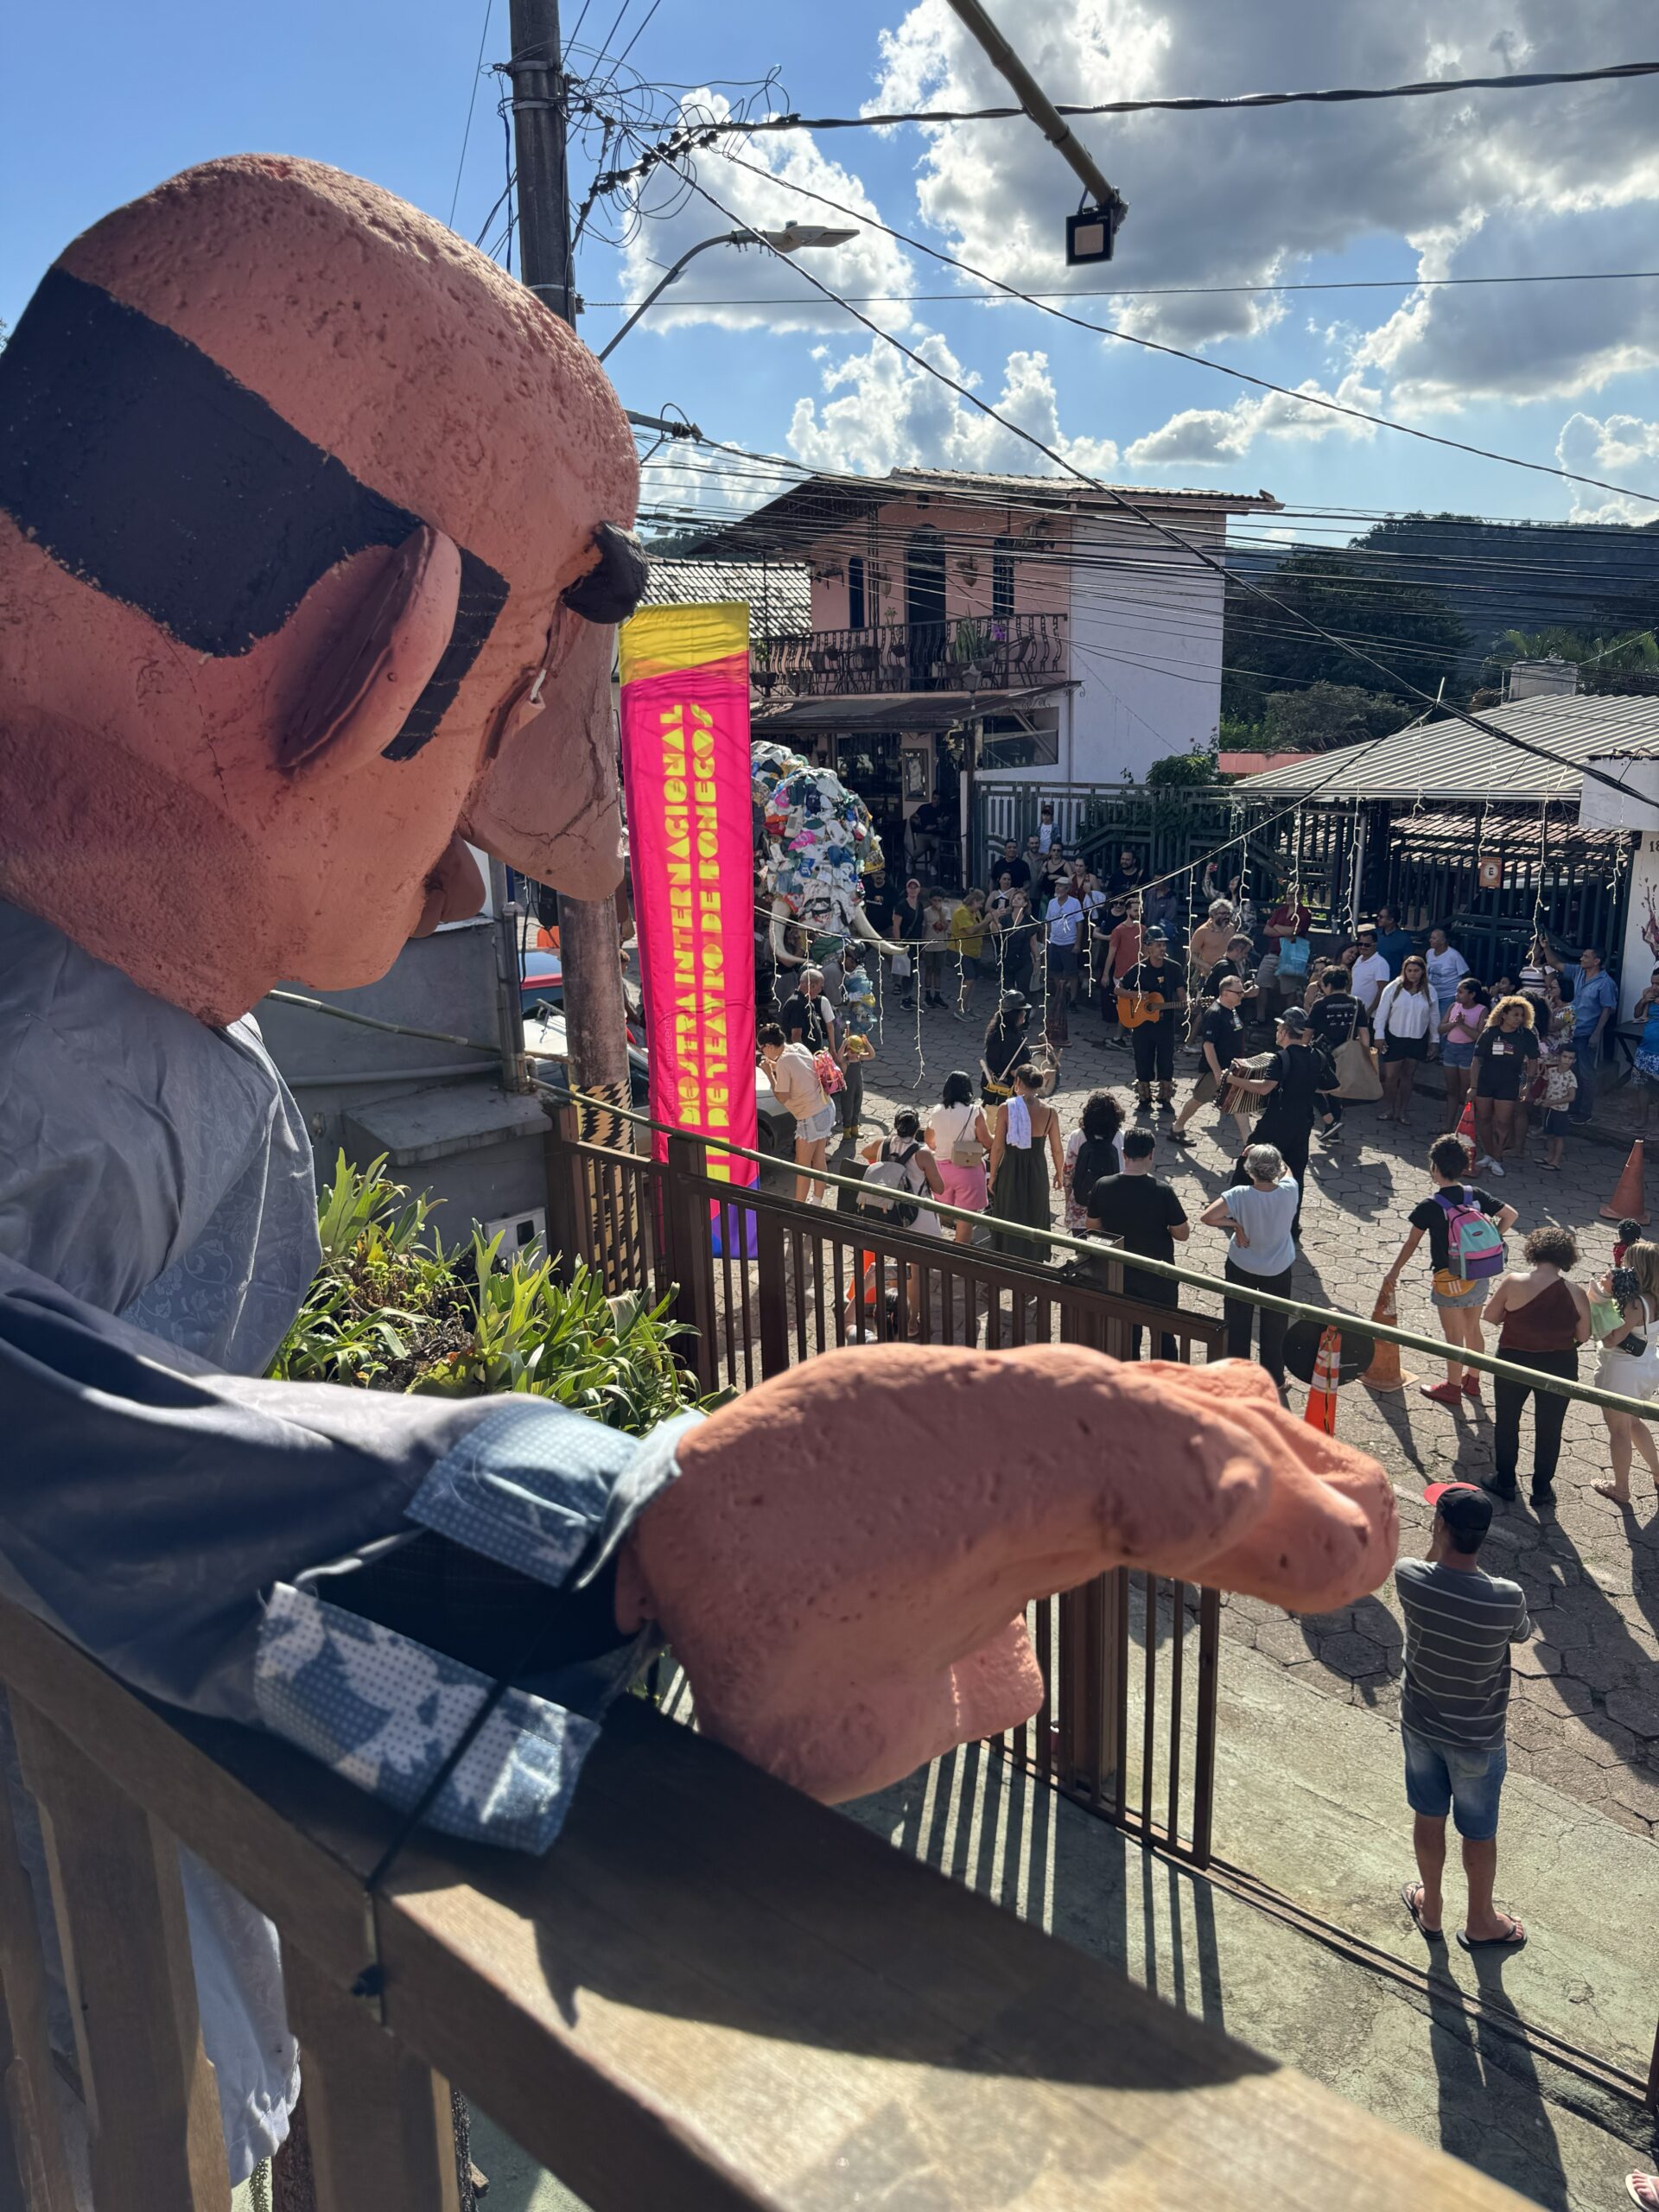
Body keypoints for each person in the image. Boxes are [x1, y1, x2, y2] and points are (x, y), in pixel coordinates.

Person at [1395, 1483, 1530, 1951]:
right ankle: (1480, 1922)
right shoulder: (1507, 1597)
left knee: (1428, 1817)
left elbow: (1429, 1561)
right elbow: (1522, 1633)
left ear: (1440, 1526)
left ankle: (1430, 1909)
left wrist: (1437, 1541)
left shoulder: (1408, 1576)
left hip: (1420, 1724)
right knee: (1479, 1833)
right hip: (1477, 1738)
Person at [1381, 1134, 1517, 1407]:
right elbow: (1511, 1215)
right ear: (1464, 1167)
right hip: (1479, 1272)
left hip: (1449, 1278)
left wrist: (1394, 1272)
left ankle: (1452, 1387)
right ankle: (1473, 1380)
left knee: (1453, 1336)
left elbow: (1411, 1243)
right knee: (1472, 1328)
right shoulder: (1475, 1195)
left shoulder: (1430, 1206)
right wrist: (1494, 1237)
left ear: (1434, 1167)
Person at [1479, 1228, 1592, 1509]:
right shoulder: (1576, 1293)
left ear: (1534, 1251)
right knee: (1550, 1428)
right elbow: (1584, 1335)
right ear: (1567, 1257)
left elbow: (1490, 1316)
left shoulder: (1513, 1281)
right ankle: (1541, 1489)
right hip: (1559, 1366)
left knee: (1507, 1422)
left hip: (1513, 1361)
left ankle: (1504, 1481)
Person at [1200, 1143, 1300, 1389]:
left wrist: (1236, 1225)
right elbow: (1288, 1172)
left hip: (1241, 1264)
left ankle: (1238, 1376)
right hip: (1277, 1268)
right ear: (1276, 1169)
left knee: (1237, 1321)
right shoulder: (1290, 1190)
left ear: (1249, 1170)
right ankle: (1274, 1378)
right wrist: (1279, 1159)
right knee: (1275, 1325)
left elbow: (1208, 1217)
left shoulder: (1239, 1194)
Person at [1086, 1128, 1190, 1359]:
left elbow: (1091, 1226)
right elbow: (1182, 1233)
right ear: (1152, 1154)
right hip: (1158, 1276)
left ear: (1123, 1153)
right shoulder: (1163, 1190)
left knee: (1127, 1334)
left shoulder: (1103, 1185)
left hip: (1120, 1273)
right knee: (1164, 1334)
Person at [1225, 1007, 1327, 1236]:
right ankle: (1292, 1227)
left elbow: (1264, 1089)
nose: (1276, 1033)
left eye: (1279, 1028)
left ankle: (1231, 1210)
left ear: (1285, 1032)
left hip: (1276, 1123)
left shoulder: (1281, 1058)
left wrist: (1232, 1079)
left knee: (1248, 1161)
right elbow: (1333, 1086)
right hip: (1302, 1124)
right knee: (1296, 1175)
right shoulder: (1317, 1056)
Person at [861, 1107, 946, 1332]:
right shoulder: (923, 1153)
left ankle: (889, 1317)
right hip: (915, 1219)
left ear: (896, 1125)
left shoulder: (882, 1143)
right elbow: (939, 1187)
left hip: (887, 1213)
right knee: (914, 1274)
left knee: (891, 1269)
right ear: (917, 1128)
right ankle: (910, 1324)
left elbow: (864, 1153)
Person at [1590, 1239, 1659, 1508]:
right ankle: (1657, 1472)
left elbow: (1611, 1338)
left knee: (1618, 1431)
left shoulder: (1635, 1303)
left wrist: (1601, 1299)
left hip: (1622, 1371)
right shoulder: (1654, 1297)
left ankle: (1621, 1488)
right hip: (1646, 1367)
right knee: (1633, 1424)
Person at [988, 1063, 1062, 1260]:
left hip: (1012, 1166)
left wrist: (992, 1174)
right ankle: (1034, 1257)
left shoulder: (1007, 1108)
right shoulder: (1050, 1112)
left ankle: (1007, 1256)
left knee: (1009, 1210)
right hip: (1037, 1167)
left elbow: (998, 1147)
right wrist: (1059, 1173)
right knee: (1035, 1210)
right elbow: (1056, 1148)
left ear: (1018, 1081)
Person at [759, 1022, 836, 1203]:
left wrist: (770, 1074)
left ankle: (799, 1209)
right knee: (818, 1160)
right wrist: (774, 1066)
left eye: (762, 1049)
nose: (763, 1053)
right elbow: (799, 1070)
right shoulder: (798, 1048)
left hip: (810, 1116)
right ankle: (816, 1202)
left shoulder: (783, 1061)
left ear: (769, 1046)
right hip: (825, 1107)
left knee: (801, 1165)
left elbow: (782, 1097)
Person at [1170, 974, 1249, 1147]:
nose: (1242, 995)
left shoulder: (1232, 1010)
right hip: (1217, 1070)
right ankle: (1176, 1128)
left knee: (1240, 1106)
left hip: (1233, 1069)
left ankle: (1249, 1147)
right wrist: (1217, 1072)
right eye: (1239, 992)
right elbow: (1208, 1045)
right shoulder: (1215, 1013)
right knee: (1198, 1099)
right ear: (1226, 993)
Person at [1469, 995, 1540, 1178]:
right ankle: (1488, 1153)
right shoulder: (1490, 1033)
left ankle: (1498, 1158)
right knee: (1483, 1119)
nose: (1519, 1019)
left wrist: (1528, 1085)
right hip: (1486, 1081)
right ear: (1504, 1015)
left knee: (1502, 1122)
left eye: (1522, 1015)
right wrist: (1473, 1086)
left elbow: (1533, 1060)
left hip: (1509, 1083)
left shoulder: (1527, 1036)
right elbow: (1477, 1059)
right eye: (1515, 1015)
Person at [1120, 927, 1186, 1115]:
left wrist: (1186, 1003)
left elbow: (1182, 993)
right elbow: (1119, 989)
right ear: (1148, 947)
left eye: (1164, 945)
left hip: (1165, 1024)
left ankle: (1164, 1099)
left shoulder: (1173, 968)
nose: (1162, 948)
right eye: (1158, 945)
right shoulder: (1139, 969)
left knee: (1166, 1061)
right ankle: (1144, 1098)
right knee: (1143, 1059)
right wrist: (1137, 995)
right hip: (1141, 1024)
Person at [928, 1070, 992, 1243]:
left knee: (937, 1216)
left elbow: (929, 1140)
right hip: (968, 1173)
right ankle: (957, 1261)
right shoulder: (975, 1112)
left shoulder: (937, 1110)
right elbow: (988, 1142)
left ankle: (933, 1251)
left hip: (941, 1171)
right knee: (965, 1224)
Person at [1308, 963, 1367, 1141]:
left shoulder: (1320, 1004)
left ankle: (1330, 1122)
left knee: (1311, 1087)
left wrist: (1302, 1049)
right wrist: (1366, 1056)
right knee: (1337, 1091)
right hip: (1347, 1054)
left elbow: (1307, 1033)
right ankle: (1333, 1129)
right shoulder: (1357, 1003)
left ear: (1328, 985)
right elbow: (1364, 1034)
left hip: (1322, 1054)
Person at [1374, 953, 1435, 1124]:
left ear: (1422, 972)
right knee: (1391, 1076)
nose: (1413, 974)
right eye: (1409, 970)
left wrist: (1434, 1041)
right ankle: (1389, 1108)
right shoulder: (1393, 988)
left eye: (1416, 970)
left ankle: (1402, 1111)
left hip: (1417, 1038)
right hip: (1395, 1037)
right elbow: (1381, 1014)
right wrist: (1379, 1035)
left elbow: (1434, 1017)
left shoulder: (1430, 991)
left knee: (1408, 1075)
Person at [1062, 1088, 1127, 1237]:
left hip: (1082, 1204)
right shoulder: (1121, 1137)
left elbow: (1068, 1171)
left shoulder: (1077, 1136)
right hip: (1111, 1206)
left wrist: (1069, 1200)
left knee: (1081, 1251)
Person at [1567, 945, 1618, 1122]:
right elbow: (1554, 963)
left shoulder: (1606, 983)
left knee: (1586, 1074)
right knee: (1572, 1072)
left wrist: (1597, 1034)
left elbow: (1607, 1009)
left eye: (1586, 956)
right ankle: (1572, 1107)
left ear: (1596, 961)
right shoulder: (1579, 973)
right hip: (1572, 1031)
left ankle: (1585, 1112)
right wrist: (1545, 946)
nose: (1581, 958)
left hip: (1588, 1033)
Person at [1438, 976, 1488, 1132]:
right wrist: (1454, 1023)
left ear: (1472, 994)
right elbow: (1440, 1028)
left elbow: (1479, 1036)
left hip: (1468, 1052)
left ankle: (1465, 1128)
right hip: (1451, 1049)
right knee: (1452, 1090)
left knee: (1466, 1092)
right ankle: (1448, 1125)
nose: (1457, 995)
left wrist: (1462, 1024)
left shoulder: (1481, 1010)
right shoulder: (1454, 1006)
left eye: (1461, 992)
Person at [981, 991, 1033, 1107]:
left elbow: (1018, 1051)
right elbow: (1015, 1071)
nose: (1025, 1013)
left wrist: (1040, 1047)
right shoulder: (1010, 1038)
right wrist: (1038, 1078)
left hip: (990, 1085)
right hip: (1005, 1093)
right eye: (1022, 1011)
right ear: (1015, 1015)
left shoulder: (997, 1029)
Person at [948, 887, 988, 1018]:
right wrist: (987, 921)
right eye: (980, 903)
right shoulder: (961, 912)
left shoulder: (975, 913)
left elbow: (981, 927)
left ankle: (967, 1007)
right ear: (974, 901)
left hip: (973, 952)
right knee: (968, 979)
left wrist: (991, 922)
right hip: (960, 951)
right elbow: (970, 930)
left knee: (973, 979)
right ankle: (960, 1009)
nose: (981, 906)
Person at [1045, 876, 1084, 1005]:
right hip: (1054, 942)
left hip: (1069, 943)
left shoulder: (1075, 903)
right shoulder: (1051, 902)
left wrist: (1077, 944)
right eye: (1057, 885)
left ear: (1067, 889)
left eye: (1061, 886)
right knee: (1055, 971)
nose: (1058, 888)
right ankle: (1060, 995)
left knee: (1072, 973)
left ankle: (1073, 999)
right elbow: (1048, 922)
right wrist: (1047, 938)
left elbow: (1080, 924)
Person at [1426, 926, 1467, 1047]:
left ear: (1443, 941)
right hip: (1432, 994)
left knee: (1444, 1024)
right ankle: (1432, 1049)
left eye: (1434, 938)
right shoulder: (1429, 953)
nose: (1431, 940)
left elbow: (1465, 974)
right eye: (1431, 938)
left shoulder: (1453, 955)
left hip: (1448, 995)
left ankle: (1443, 1053)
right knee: (1431, 1023)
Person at [780, 964, 834, 1054]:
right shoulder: (797, 1003)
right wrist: (808, 1058)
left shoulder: (804, 1001)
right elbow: (796, 1037)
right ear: (812, 986)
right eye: (820, 987)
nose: (820, 991)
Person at [892, 876, 926, 1010]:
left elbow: (921, 923)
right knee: (906, 971)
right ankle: (904, 998)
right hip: (906, 943)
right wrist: (899, 943)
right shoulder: (901, 905)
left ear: (919, 889)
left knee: (912, 971)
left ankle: (908, 996)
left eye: (915, 887)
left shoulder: (920, 905)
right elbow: (896, 925)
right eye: (910, 887)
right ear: (906, 889)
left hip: (916, 942)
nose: (913, 890)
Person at [1632, 965, 1659, 1129]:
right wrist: (1643, 1001)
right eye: (1653, 983)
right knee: (1643, 1086)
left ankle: (1657, 1127)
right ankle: (1642, 1120)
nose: (1654, 987)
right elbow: (1636, 1014)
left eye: (1658, 984)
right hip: (1646, 1049)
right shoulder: (1648, 993)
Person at [1350, 925, 1390, 1016]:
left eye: (1367, 945)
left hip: (1371, 1014)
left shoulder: (1381, 964)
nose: (1363, 947)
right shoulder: (1358, 959)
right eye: (1360, 944)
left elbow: (1382, 990)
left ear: (1375, 945)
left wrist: (1369, 1011)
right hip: (1354, 1010)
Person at [922, 888, 952, 1007]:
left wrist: (940, 913)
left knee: (938, 971)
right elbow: (924, 928)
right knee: (929, 969)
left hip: (941, 945)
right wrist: (923, 944)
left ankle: (938, 995)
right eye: (934, 900)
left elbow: (945, 926)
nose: (937, 903)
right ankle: (927, 995)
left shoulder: (946, 911)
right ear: (930, 900)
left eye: (939, 900)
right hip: (929, 945)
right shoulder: (926, 912)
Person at [1373, 906, 1413, 975]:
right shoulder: (1375, 934)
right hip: (1372, 978)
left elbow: (1407, 963)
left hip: (1392, 980)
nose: (1378, 918)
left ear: (1391, 920)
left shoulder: (1404, 938)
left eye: (1381, 917)